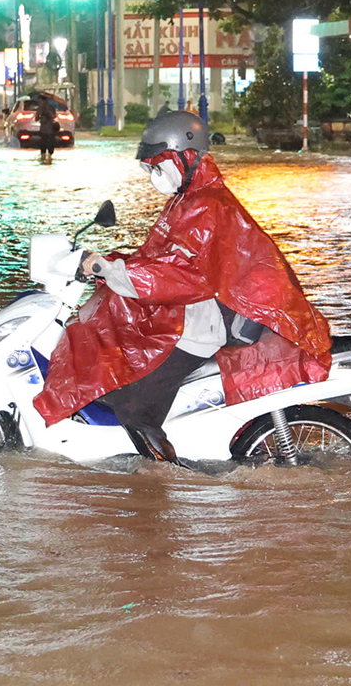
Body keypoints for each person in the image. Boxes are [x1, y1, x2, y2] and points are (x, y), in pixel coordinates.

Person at [34, 110, 332, 462]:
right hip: (184, 314)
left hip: (204, 324)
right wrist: (105, 266)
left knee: (133, 409)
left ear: (184, 158)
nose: (153, 177)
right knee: (107, 360)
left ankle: (164, 486)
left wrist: (111, 269)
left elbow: (179, 274)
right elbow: (156, 258)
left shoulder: (207, 206)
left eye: (157, 168)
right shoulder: (187, 199)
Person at [36, 92, 59, 164]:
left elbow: (54, 116)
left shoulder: (51, 108)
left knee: (50, 144)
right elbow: (36, 119)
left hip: (51, 129)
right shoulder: (39, 109)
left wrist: (47, 112)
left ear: (44, 101)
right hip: (43, 129)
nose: (40, 103)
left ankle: (50, 158)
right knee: (43, 144)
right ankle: (43, 157)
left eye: (41, 101)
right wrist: (40, 114)